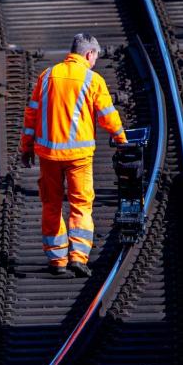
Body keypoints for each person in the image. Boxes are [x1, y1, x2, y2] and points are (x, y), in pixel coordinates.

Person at [19, 33, 127, 277]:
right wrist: (121, 140)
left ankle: (57, 259)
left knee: (51, 204)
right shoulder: (93, 79)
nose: (95, 61)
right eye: (95, 57)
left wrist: (26, 148)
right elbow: (107, 115)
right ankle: (78, 257)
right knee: (80, 205)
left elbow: (31, 116)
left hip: (48, 155)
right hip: (79, 157)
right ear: (89, 54)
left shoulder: (47, 76)